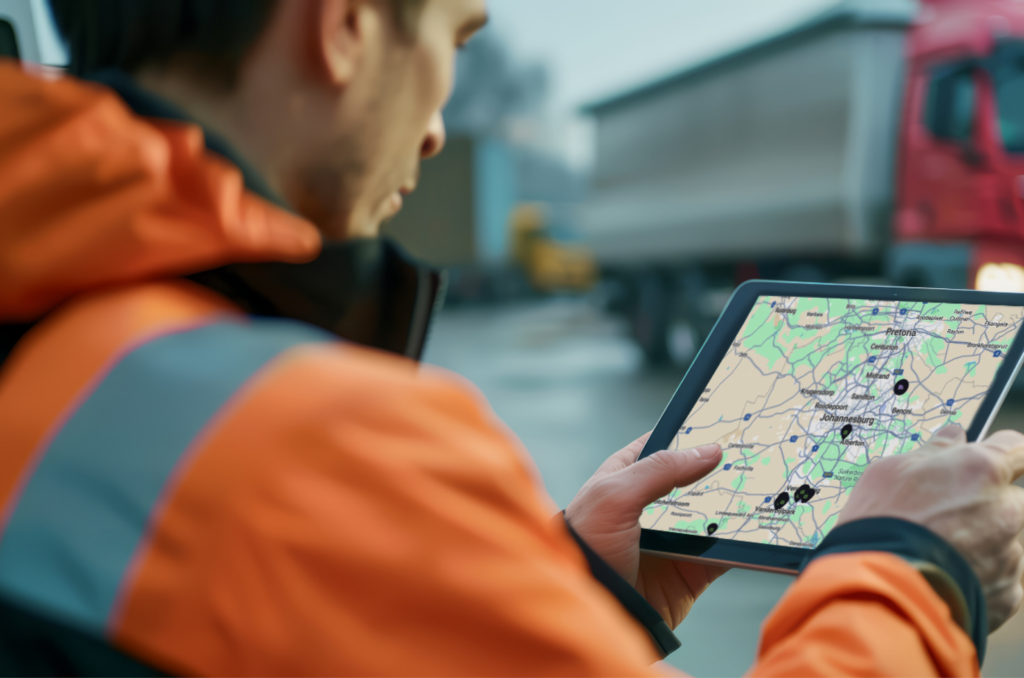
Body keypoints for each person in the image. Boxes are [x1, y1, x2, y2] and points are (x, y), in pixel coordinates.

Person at [0, 0, 1021, 674]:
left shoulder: (56, 326)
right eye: (452, 39)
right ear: (346, 25)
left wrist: (583, 596)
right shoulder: (308, 439)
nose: (438, 128)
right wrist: (909, 573)